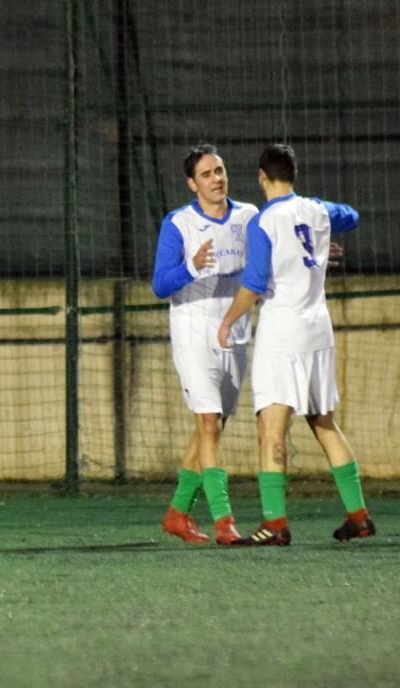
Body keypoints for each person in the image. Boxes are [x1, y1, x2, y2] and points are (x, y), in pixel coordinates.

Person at [217, 143, 372, 546]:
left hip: (282, 333)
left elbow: (252, 286)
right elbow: (351, 216)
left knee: (271, 428)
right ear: (293, 175)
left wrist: (228, 321)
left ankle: (276, 524)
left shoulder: (263, 221)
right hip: (318, 329)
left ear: (261, 177)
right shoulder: (317, 210)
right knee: (323, 423)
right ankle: (358, 514)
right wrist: (318, 248)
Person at [151, 143, 259, 546]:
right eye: (208, 174)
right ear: (192, 184)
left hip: (235, 332)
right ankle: (224, 522)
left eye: (220, 171)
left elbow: (269, 261)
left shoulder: (249, 217)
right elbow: (160, 284)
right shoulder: (178, 223)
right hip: (193, 332)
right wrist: (192, 265)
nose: (217, 179)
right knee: (209, 422)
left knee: (211, 429)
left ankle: (177, 514)